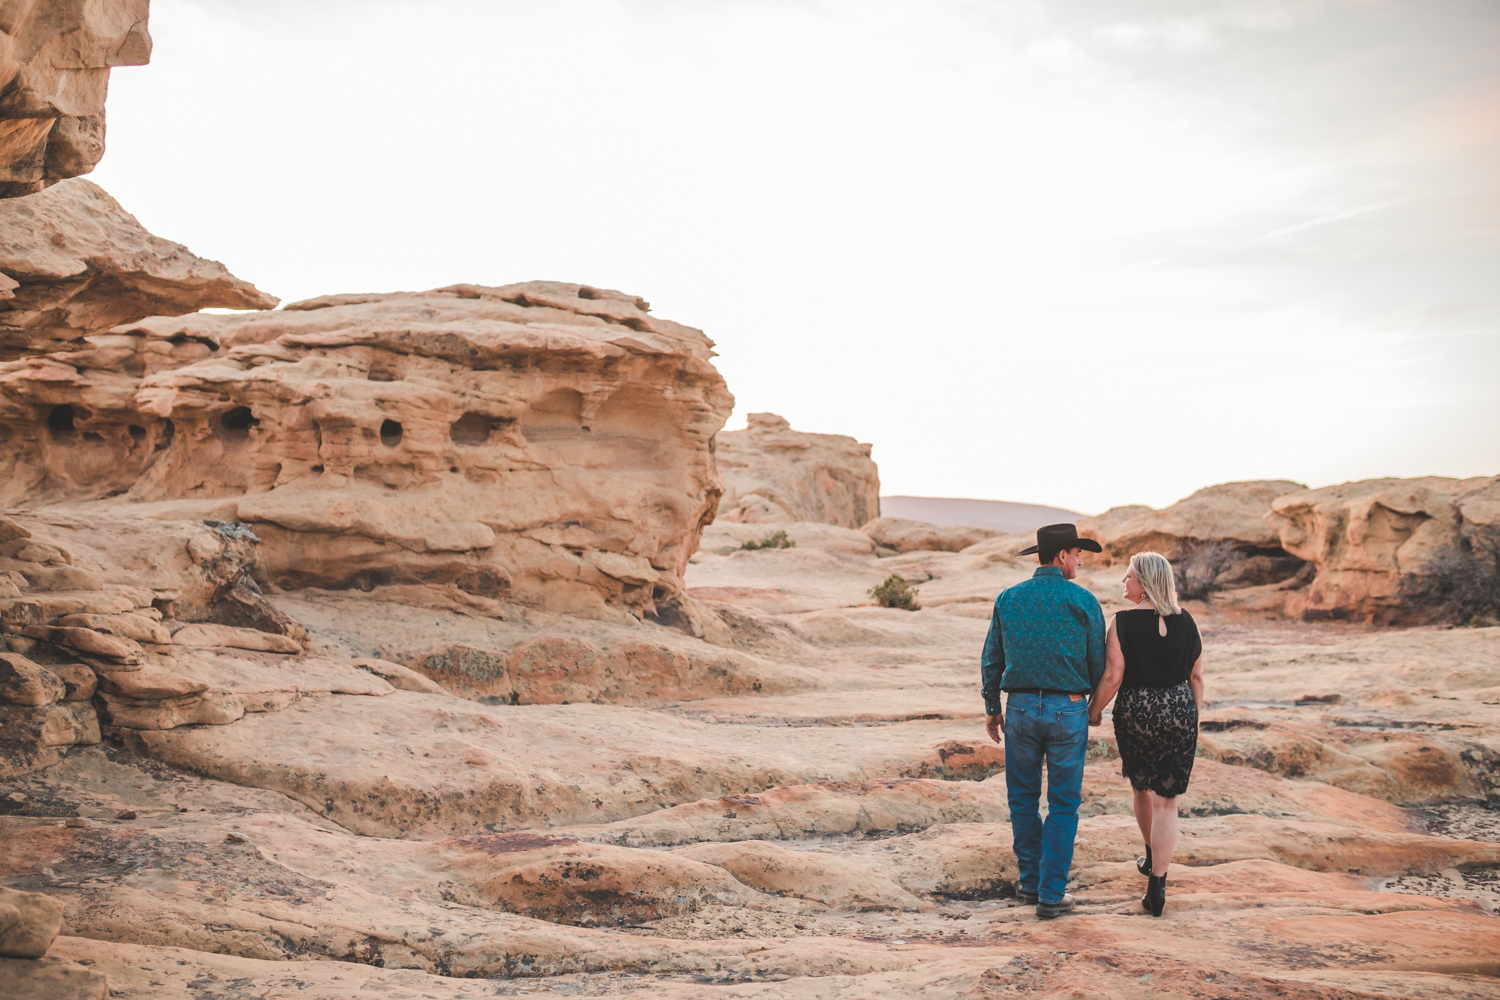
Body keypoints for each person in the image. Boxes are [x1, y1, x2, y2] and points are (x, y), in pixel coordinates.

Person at [981, 522, 1106, 919]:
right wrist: (1093, 708)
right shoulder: (1084, 601)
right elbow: (1098, 664)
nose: (1080, 561)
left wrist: (991, 706)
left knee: (1022, 799)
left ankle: (1031, 882)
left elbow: (992, 658)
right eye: (1077, 554)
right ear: (1061, 556)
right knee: (1063, 804)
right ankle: (1051, 894)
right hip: (1067, 708)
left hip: (1018, 708)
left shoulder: (1009, 597)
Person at [1087, 551, 1205, 918]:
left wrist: (1093, 711)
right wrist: (1194, 718)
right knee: (1167, 800)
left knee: (1142, 787)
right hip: (1179, 709)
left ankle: (1151, 854)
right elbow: (1196, 677)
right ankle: (1158, 883)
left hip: (1137, 710)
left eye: (1128, 577)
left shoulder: (1120, 623)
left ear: (1144, 583)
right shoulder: (1187, 621)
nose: (1124, 583)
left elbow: (1113, 676)